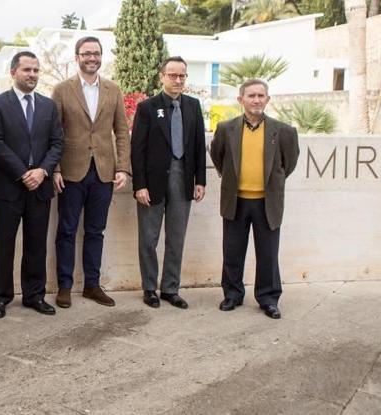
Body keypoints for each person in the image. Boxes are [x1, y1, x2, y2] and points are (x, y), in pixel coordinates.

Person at [50, 36, 130, 309]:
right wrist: (56, 168)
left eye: (96, 53)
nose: (92, 58)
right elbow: (54, 132)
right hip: (71, 171)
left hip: (104, 172)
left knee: (96, 231)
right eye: (86, 54)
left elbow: (121, 131)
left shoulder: (113, 90)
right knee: (67, 230)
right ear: (77, 57)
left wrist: (123, 168)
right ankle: (65, 286)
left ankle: (92, 285)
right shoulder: (62, 90)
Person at [210, 78, 299, 319]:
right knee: (232, 251)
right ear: (241, 100)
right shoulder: (226, 129)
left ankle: (268, 299)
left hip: (267, 202)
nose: (256, 100)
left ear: (267, 100)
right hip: (236, 200)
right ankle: (232, 294)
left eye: (261, 96)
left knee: (268, 253)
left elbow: (288, 164)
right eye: (251, 96)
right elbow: (218, 157)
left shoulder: (283, 131)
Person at [0, 51, 63, 319]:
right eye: (27, 70)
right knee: (4, 243)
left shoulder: (48, 106)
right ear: (13, 72)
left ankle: (34, 295)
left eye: (36, 70)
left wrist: (41, 171)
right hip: (8, 186)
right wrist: (23, 173)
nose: (32, 75)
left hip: (40, 187)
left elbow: (57, 144)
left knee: (36, 243)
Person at [130, 56, 206, 309]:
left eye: (182, 76)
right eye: (172, 75)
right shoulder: (148, 107)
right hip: (152, 182)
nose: (178, 80)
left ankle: (170, 288)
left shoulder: (193, 106)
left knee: (177, 237)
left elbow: (198, 146)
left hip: (183, 178)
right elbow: (137, 149)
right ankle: (150, 288)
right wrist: (139, 185)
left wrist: (200, 180)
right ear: (161, 77)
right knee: (149, 238)